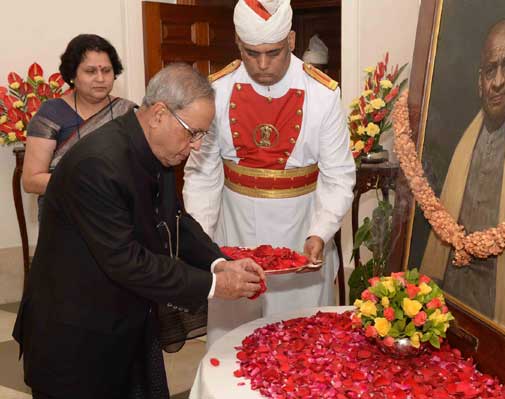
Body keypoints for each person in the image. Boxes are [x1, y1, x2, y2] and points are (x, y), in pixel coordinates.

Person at [12, 63, 266, 399]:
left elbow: (177, 219)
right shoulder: (97, 166)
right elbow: (127, 261)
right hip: (76, 336)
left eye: (202, 135)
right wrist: (216, 285)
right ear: (160, 113)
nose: (196, 146)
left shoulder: (155, 149)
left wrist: (220, 263)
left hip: (125, 323)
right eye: (193, 132)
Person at [183, 0, 355, 347]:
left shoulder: (322, 94)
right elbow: (202, 173)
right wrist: (202, 240)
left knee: (301, 341)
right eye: (251, 53)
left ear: (291, 40)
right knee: (233, 339)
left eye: (273, 53)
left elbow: (338, 176)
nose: (262, 65)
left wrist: (320, 233)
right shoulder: (215, 91)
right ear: (237, 43)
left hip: (301, 230)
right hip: (234, 227)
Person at [420, 19, 505, 350]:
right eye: (490, 70)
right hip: (455, 296)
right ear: (478, 81)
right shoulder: (468, 139)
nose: (498, 81)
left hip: (502, 305)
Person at [22, 34, 136, 218]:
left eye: (107, 70)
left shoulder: (128, 112)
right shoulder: (51, 113)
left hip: (118, 215)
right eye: (90, 71)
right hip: (64, 214)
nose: (100, 78)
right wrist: (91, 186)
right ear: (72, 75)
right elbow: (31, 181)